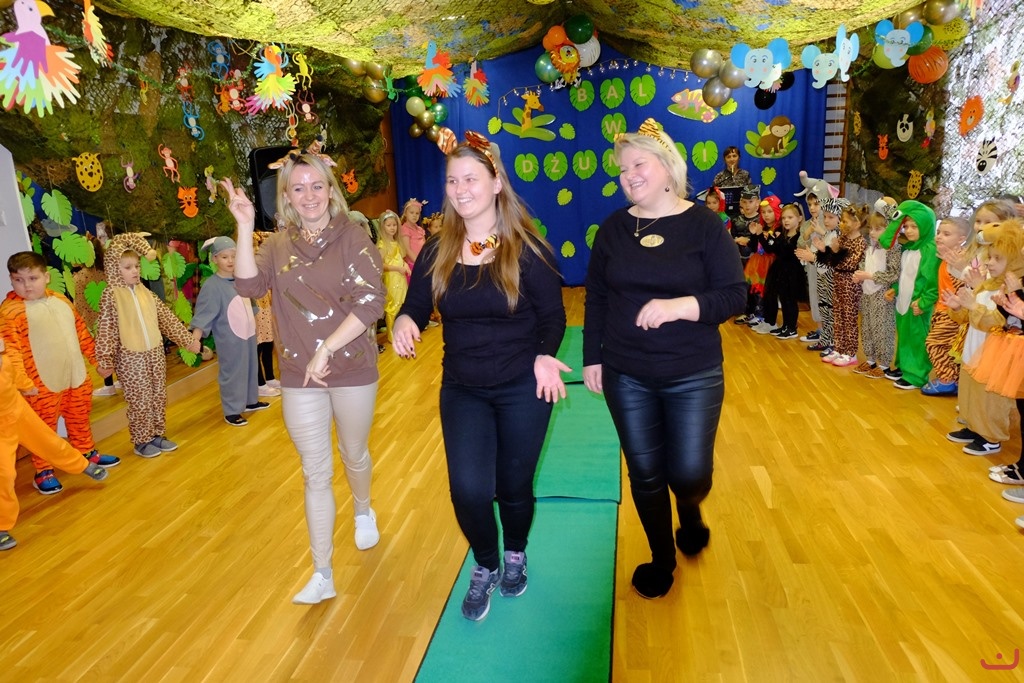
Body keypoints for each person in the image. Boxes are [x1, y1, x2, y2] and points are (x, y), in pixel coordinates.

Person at [392, 131, 569, 621]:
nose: (460, 189)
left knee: (513, 485)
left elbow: (553, 318)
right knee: (468, 490)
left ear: (495, 183)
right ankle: (487, 563)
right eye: (453, 181)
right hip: (463, 388)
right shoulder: (437, 249)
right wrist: (404, 319)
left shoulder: (527, 248)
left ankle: (515, 553)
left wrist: (544, 355)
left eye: (471, 179)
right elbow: (416, 304)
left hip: (522, 386)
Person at [583, 118, 746, 599]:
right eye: (622, 169)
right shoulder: (614, 229)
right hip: (626, 373)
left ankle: (689, 508)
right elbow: (597, 297)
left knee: (690, 475)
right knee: (645, 473)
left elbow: (735, 295)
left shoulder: (705, 226)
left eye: (639, 164)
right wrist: (593, 357)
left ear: (668, 167)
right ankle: (662, 559)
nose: (628, 175)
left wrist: (681, 306)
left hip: (693, 373)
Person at [223, 148, 386, 606]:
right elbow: (250, 286)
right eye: (299, 188)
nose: (309, 195)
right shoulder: (277, 245)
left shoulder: (353, 236)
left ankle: (363, 509)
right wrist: (243, 226)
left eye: (317, 186)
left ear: (330, 190)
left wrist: (328, 348)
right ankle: (322, 573)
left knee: (353, 453)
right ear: (287, 197)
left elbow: (372, 301)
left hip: (351, 369)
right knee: (315, 473)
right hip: (299, 374)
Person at [0, 251, 121, 495]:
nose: (26, 286)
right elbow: (11, 352)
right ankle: (43, 470)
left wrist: (97, 360)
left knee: (79, 417)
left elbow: (81, 332)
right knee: (43, 430)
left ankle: (86, 452)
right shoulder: (10, 312)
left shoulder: (61, 300)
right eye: (18, 280)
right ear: (11, 280)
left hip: (75, 375)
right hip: (41, 385)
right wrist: (23, 383)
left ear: (46, 277)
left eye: (33, 278)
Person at [94, 233, 201, 457]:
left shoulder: (146, 293)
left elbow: (167, 320)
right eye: (127, 267)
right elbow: (106, 328)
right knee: (140, 400)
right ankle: (142, 440)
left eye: (136, 266)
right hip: (130, 357)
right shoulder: (111, 295)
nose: (135, 271)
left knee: (158, 396)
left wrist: (188, 340)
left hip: (154, 352)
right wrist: (104, 359)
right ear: (114, 268)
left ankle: (157, 435)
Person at [0, 338, 110, 551]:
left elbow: (12, 368)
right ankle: (2, 526)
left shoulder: (5, 355)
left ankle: (82, 465)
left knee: (49, 442)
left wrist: (26, 386)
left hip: (17, 409)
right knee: (4, 473)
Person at [944, 220, 1022, 456]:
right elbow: (967, 317)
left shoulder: (1011, 292)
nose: (989, 262)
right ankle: (974, 426)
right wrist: (958, 307)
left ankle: (990, 437)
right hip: (973, 347)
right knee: (971, 391)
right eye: (990, 257)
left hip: (993, 355)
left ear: (1015, 261)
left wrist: (973, 307)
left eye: (997, 259)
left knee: (990, 399)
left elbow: (997, 323)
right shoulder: (986, 284)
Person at [189, 236, 267, 427]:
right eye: (224, 257)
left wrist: (254, 321)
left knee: (250, 366)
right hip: (230, 338)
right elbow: (203, 314)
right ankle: (232, 410)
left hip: (248, 334)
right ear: (214, 259)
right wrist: (195, 338)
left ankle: (250, 400)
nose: (230, 261)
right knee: (233, 371)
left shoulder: (240, 280)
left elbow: (250, 301)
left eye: (233, 256)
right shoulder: (212, 286)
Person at [879, 201, 939, 389]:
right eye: (906, 226)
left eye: (915, 226)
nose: (909, 231)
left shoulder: (929, 250)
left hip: (917, 305)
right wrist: (895, 289)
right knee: (904, 336)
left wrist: (924, 302)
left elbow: (932, 281)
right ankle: (904, 366)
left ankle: (916, 375)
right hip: (903, 302)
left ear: (926, 225)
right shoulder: (909, 248)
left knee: (917, 339)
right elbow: (906, 275)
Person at [920, 216, 971, 395]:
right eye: (939, 232)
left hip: (952, 312)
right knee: (947, 346)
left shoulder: (960, 259)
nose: (939, 237)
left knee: (934, 344)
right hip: (942, 310)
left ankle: (947, 379)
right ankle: (953, 379)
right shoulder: (945, 256)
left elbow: (963, 287)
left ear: (961, 239)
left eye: (946, 234)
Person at [852, 207, 901, 379]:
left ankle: (884, 364)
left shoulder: (893, 249)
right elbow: (864, 264)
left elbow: (894, 273)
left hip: (883, 295)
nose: (872, 232)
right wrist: (859, 275)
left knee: (882, 330)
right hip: (867, 293)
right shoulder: (870, 247)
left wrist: (870, 276)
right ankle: (871, 359)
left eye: (878, 229)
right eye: (871, 228)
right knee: (867, 328)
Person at [819, 202, 867, 367]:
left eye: (845, 221)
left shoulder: (860, 242)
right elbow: (831, 262)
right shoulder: (842, 238)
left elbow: (849, 263)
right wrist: (829, 251)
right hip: (838, 280)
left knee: (849, 318)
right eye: (842, 221)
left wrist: (835, 252)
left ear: (857, 224)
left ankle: (850, 352)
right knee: (838, 316)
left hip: (850, 284)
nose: (842, 224)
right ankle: (839, 348)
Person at [72, 232, 118, 397]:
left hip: (93, 321)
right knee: (115, 349)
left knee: (102, 353)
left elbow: (79, 303)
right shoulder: (106, 272)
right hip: (112, 318)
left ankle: (109, 385)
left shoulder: (80, 277)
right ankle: (120, 379)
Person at [760, 203, 804, 339]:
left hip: (792, 272)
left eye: (790, 217)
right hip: (780, 271)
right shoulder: (782, 234)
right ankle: (785, 325)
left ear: (799, 219)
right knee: (784, 299)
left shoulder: (799, 236)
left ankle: (792, 328)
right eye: (784, 218)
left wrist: (778, 240)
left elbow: (788, 251)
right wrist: (761, 236)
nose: (786, 221)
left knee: (790, 300)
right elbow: (770, 249)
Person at [251, 231, 281, 396]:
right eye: (252, 246)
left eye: (257, 245)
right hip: (254, 311)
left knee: (268, 344)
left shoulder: (262, 264)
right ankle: (259, 382)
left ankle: (269, 376)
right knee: (257, 347)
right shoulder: (245, 268)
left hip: (265, 309)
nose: (255, 249)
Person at [377, 210, 409, 343]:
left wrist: (406, 266)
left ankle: (402, 332)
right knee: (393, 305)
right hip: (391, 279)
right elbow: (381, 265)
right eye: (389, 225)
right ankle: (392, 334)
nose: (392, 228)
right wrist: (398, 269)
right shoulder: (382, 245)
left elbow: (400, 259)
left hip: (400, 279)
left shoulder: (397, 242)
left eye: (394, 225)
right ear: (383, 227)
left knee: (402, 303)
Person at [399, 198, 427, 281]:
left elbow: (425, 246)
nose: (414, 215)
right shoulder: (405, 229)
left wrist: (425, 260)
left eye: (417, 213)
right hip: (412, 264)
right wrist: (418, 262)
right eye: (411, 212)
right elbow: (407, 249)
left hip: (422, 262)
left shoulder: (420, 229)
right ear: (405, 213)